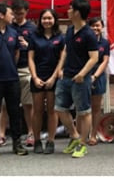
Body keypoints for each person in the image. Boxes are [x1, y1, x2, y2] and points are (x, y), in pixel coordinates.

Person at [55, 0, 99, 159]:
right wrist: (60, 68)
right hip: (66, 76)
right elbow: (66, 50)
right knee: (59, 108)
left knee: (84, 111)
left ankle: (82, 144)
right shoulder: (70, 30)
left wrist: (82, 73)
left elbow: (94, 58)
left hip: (81, 79)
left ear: (77, 12)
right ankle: (74, 136)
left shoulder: (89, 34)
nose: (67, 11)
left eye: (70, 8)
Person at [0, 3, 28, 157]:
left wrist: (11, 67)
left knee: (14, 111)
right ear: (1, 15)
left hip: (12, 78)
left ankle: (17, 143)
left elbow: (16, 53)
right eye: (11, 13)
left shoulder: (13, 32)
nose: (13, 16)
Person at [28, 8, 65, 154]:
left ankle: (51, 140)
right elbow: (30, 58)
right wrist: (35, 77)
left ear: (55, 20)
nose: (47, 21)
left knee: (52, 111)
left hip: (53, 77)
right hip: (38, 76)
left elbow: (62, 59)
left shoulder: (60, 37)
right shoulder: (34, 36)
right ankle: (37, 140)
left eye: (50, 18)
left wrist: (54, 77)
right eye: (44, 18)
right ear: (40, 20)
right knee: (37, 110)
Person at [11, 0, 38, 146]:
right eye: (16, 13)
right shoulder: (9, 26)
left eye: (21, 13)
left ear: (26, 12)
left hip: (26, 67)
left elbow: (38, 49)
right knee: (6, 105)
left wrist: (27, 45)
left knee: (28, 104)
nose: (18, 16)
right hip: (10, 68)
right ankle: (2, 134)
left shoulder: (33, 28)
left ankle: (31, 132)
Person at [87, 17, 110, 145]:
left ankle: (93, 135)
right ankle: (83, 134)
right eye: (93, 26)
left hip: (98, 76)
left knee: (96, 108)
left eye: (98, 26)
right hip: (84, 75)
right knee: (84, 108)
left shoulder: (105, 43)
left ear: (102, 27)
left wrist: (95, 76)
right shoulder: (85, 40)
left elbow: (105, 61)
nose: (95, 28)